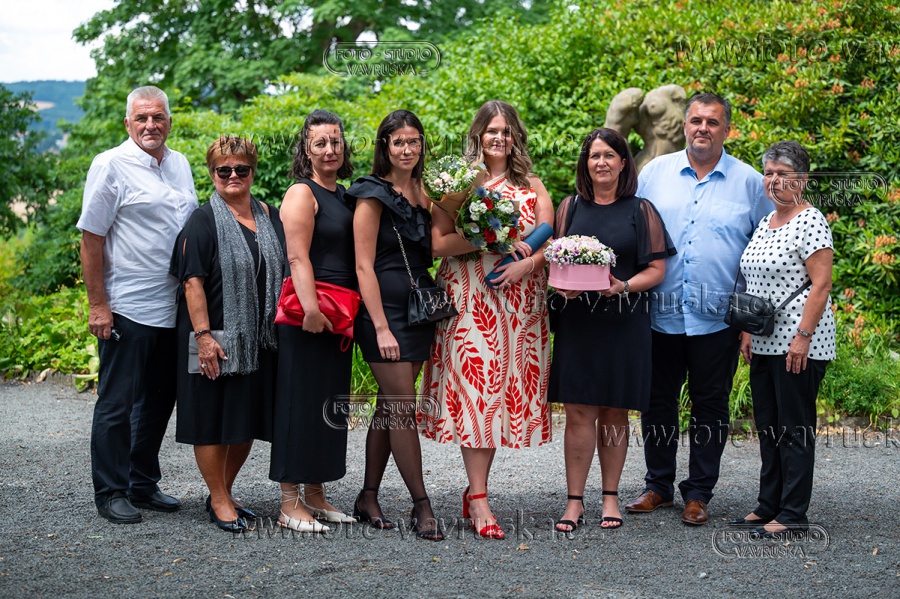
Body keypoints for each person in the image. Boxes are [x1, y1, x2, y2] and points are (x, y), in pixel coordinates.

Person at [624, 92, 772, 526]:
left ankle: (699, 493)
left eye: (712, 121)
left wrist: (750, 323)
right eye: (696, 120)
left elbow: (763, 250)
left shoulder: (749, 183)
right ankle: (658, 486)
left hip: (718, 320)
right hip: (659, 315)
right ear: (685, 125)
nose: (702, 128)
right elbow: (632, 233)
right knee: (657, 403)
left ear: (727, 129)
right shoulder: (654, 173)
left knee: (711, 406)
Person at [419, 100, 554, 540]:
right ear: (478, 134)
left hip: (520, 303)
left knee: (499, 395)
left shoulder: (533, 185)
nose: (499, 138)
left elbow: (548, 237)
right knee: (477, 392)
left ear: (516, 137)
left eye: (507, 131)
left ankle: (475, 491)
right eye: (492, 130)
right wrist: (486, 239)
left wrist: (526, 263)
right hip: (471, 297)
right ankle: (478, 498)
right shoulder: (457, 182)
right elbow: (437, 244)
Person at [78, 86, 197, 524]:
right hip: (128, 306)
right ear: (128, 123)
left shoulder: (180, 163)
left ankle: (141, 482)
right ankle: (111, 492)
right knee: (117, 404)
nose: (151, 125)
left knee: (158, 401)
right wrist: (98, 306)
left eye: (158, 117)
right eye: (142, 118)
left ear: (169, 121)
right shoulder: (110, 164)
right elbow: (91, 239)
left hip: (173, 306)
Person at [549, 128, 675, 532]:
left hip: (624, 321)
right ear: (585, 164)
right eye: (593, 156)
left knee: (615, 411)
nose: (600, 162)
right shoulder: (569, 207)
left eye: (608, 155)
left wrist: (623, 286)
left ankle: (610, 497)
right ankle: (573, 502)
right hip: (578, 322)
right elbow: (554, 262)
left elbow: (657, 269)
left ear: (623, 162)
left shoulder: (641, 210)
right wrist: (561, 287)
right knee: (578, 411)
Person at [170, 136, 284, 532]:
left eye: (241, 169)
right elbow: (191, 282)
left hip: (254, 339)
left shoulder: (268, 214)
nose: (233, 175)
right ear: (212, 173)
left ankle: (225, 490)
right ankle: (218, 498)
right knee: (210, 419)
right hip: (211, 334)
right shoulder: (202, 220)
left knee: (244, 419)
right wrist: (203, 337)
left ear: (253, 171)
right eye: (223, 170)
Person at [348, 110, 443, 541]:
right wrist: (381, 327)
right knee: (403, 408)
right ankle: (422, 505)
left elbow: (438, 246)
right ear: (385, 146)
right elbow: (363, 266)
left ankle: (367, 496)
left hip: (419, 310)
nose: (407, 149)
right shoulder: (371, 194)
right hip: (382, 312)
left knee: (390, 406)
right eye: (399, 142)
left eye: (414, 141)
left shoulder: (428, 192)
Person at [731, 141, 835, 537]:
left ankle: (792, 514)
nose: (774, 181)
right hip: (764, 340)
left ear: (802, 180)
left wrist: (802, 337)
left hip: (799, 343)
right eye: (769, 173)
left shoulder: (811, 220)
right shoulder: (766, 221)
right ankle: (767, 504)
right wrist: (747, 330)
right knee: (768, 427)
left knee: (794, 428)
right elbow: (756, 281)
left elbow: (821, 285)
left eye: (783, 174)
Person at [268, 111, 357, 533]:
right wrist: (311, 310)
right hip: (308, 313)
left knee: (327, 404)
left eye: (335, 141)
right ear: (306, 149)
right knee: (299, 403)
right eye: (320, 142)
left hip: (339, 314)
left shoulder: (344, 194)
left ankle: (316, 495)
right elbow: (297, 256)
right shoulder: (301, 193)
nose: (329, 149)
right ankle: (289, 503)